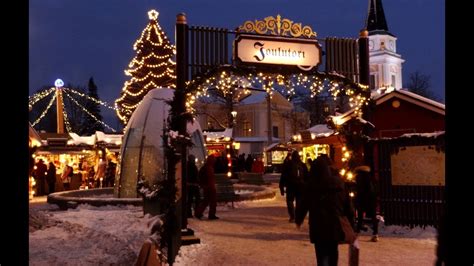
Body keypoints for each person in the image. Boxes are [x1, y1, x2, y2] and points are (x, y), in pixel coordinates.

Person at [295, 154, 354, 266]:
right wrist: (352, 224)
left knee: (322, 255)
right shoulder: (339, 184)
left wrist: (299, 219)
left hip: (319, 226)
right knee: (333, 252)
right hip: (335, 225)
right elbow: (348, 206)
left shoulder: (312, 185)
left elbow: (303, 204)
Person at [354, 165, 379, 242]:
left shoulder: (359, 178)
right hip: (371, 200)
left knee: (360, 217)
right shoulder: (371, 178)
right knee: (373, 217)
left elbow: (359, 189)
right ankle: (375, 234)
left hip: (362, 200)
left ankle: (357, 233)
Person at [280, 151, 307, 222]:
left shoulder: (288, 164)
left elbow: (283, 176)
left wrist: (281, 187)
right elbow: (307, 177)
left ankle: (292, 216)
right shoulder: (302, 165)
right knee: (299, 201)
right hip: (300, 186)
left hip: (290, 186)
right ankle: (297, 215)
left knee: (289, 201)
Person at [194, 155, 219, 220]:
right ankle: (211, 215)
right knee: (212, 201)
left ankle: (199, 213)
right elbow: (209, 178)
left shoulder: (206, 167)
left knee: (206, 201)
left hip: (207, 186)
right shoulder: (208, 168)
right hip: (209, 186)